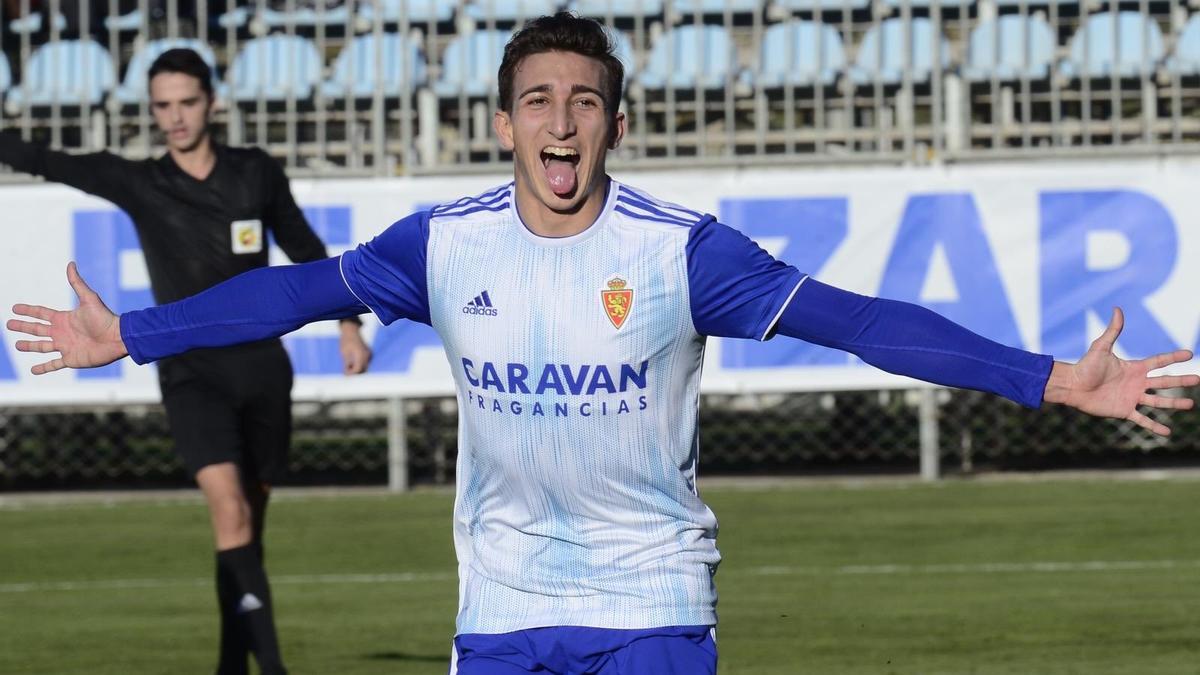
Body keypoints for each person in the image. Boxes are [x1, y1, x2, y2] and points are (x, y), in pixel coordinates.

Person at [7, 14, 1197, 675]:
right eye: (538, 100)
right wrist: (134, 335)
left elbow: (865, 323)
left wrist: (1045, 377)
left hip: (654, 604)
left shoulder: (685, 253)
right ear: (504, 123)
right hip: (500, 609)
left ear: (615, 123)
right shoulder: (445, 244)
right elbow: (298, 292)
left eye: (583, 101)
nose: (560, 121)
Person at [0, 48, 371, 675]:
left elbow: (305, 249)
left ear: (212, 102)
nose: (175, 117)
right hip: (190, 371)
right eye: (162, 105)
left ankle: (231, 664)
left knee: (247, 528)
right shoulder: (142, 183)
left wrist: (348, 324)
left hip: (261, 368)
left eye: (187, 102)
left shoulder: (255, 173)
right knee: (228, 510)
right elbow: (49, 160)